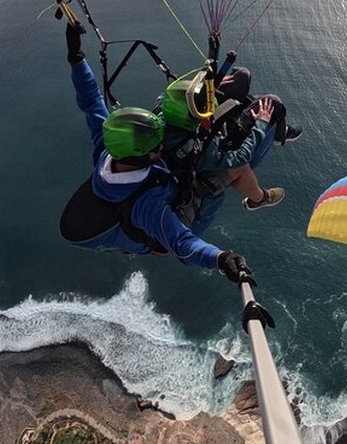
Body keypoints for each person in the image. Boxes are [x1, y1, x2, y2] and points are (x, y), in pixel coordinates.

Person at [58, 22, 251, 284]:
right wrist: (220, 259)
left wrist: (76, 59)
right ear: (138, 159)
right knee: (224, 177)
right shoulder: (146, 205)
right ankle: (256, 191)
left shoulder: (108, 147)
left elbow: (91, 101)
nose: (161, 147)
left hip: (157, 197)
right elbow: (184, 244)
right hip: (169, 232)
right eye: (155, 148)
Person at [158, 67, 301, 233]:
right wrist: (261, 125)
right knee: (273, 103)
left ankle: (263, 119)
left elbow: (166, 96)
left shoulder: (165, 114)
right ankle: (277, 135)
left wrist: (205, 87)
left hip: (209, 134)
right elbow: (240, 157)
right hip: (218, 150)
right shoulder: (193, 148)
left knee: (240, 76)